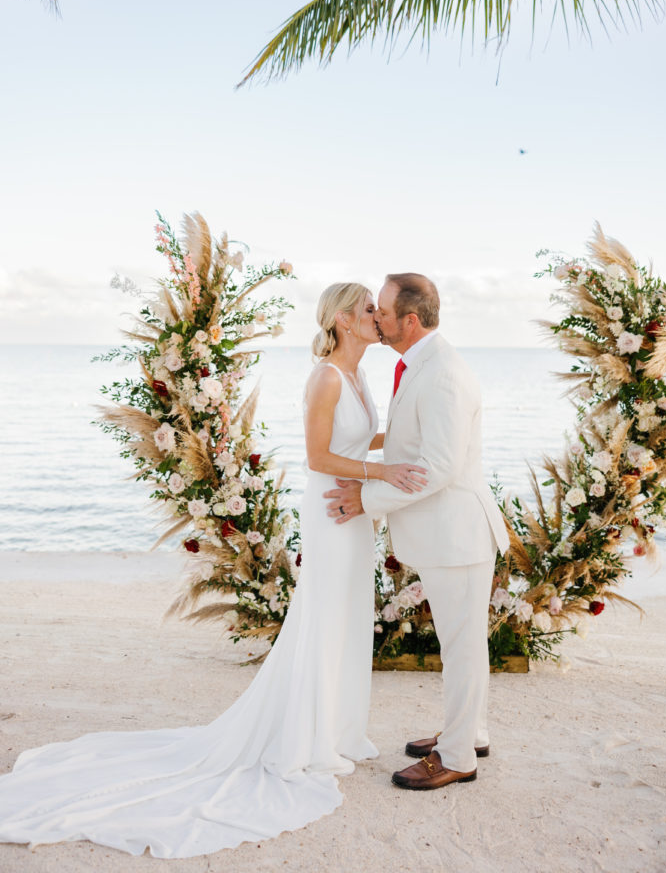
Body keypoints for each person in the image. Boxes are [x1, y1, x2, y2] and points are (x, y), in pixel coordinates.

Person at [0, 282, 426, 859]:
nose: (379, 317)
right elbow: (317, 456)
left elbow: (356, 436)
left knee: (349, 618)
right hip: (331, 510)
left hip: (355, 515)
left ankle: (340, 728)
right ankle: (310, 737)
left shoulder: (359, 375)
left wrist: (398, 445)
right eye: (369, 310)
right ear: (346, 321)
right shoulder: (325, 376)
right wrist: (383, 474)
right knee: (324, 617)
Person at [325, 273, 510, 790]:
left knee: (462, 646)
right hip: (445, 534)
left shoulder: (443, 373)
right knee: (462, 643)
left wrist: (367, 499)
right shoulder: (421, 365)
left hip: (458, 534)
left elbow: (439, 467)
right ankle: (468, 733)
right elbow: (411, 446)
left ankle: (457, 757)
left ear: (409, 320)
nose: (376, 317)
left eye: (382, 310)